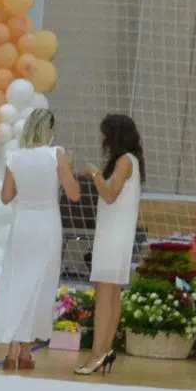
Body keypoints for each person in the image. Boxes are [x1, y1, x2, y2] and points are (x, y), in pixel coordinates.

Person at [78, 114, 143, 374]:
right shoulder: (131, 160)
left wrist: (94, 173)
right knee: (113, 296)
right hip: (118, 234)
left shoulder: (125, 161)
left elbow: (109, 194)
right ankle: (104, 351)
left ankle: (96, 354)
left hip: (113, 236)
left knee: (105, 298)